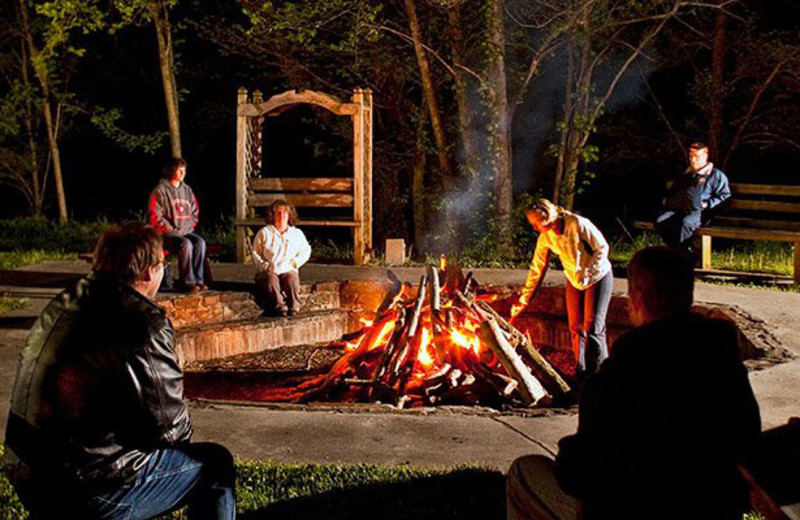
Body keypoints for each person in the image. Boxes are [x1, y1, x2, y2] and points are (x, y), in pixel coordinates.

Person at [506, 246, 761, 520]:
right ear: (688, 295)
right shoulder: (722, 362)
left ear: (636, 297)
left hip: (637, 509)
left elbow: (578, 473)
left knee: (524, 471)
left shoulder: (621, 373)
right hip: (713, 509)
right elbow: (748, 447)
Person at [3, 223, 236, 520]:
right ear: (150, 271)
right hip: (86, 490)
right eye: (164, 263)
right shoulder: (143, 321)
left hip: (26, 470)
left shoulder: (67, 299)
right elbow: (172, 429)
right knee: (215, 464)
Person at [510, 198, 613, 379]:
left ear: (547, 216)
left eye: (537, 223)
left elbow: (602, 247)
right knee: (575, 327)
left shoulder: (577, 223)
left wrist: (588, 271)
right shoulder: (546, 238)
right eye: (532, 224)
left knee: (593, 327)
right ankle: (581, 373)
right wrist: (524, 299)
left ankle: (599, 374)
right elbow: (537, 268)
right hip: (574, 280)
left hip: (598, 276)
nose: (535, 228)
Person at [655, 142, 731, 255]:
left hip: (698, 211)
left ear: (705, 156)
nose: (693, 160)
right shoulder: (686, 174)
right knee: (660, 221)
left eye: (696, 156)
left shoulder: (715, 175)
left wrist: (708, 204)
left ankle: (682, 254)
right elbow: (675, 190)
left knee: (687, 223)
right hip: (678, 210)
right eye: (691, 156)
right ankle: (677, 251)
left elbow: (724, 195)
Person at [149, 157, 207, 293]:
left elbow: (195, 212)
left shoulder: (187, 190)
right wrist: (171, 230)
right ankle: (187, 282)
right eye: (179, 170)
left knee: (200, 242)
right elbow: (155, 216)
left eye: (184, 170)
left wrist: (188, 227)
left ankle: (199, 280)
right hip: (167, 235)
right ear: (170, 171)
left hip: (186, 231)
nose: (182, 173)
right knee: (185, 244)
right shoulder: (160, 191)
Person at [251, 199, 311, 317]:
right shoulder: (265, 232)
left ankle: (294, 306)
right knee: (270, 279)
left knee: (291, 277)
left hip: (287, 268)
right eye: (278, 212)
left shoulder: (296, 233)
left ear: (289, 215)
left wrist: (295, 263)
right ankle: (280, 306)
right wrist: (265, 266)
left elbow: (306, 250)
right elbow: (255, 253)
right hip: (269, 270)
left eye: (285, 213)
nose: (281, 215)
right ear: (273, 215)